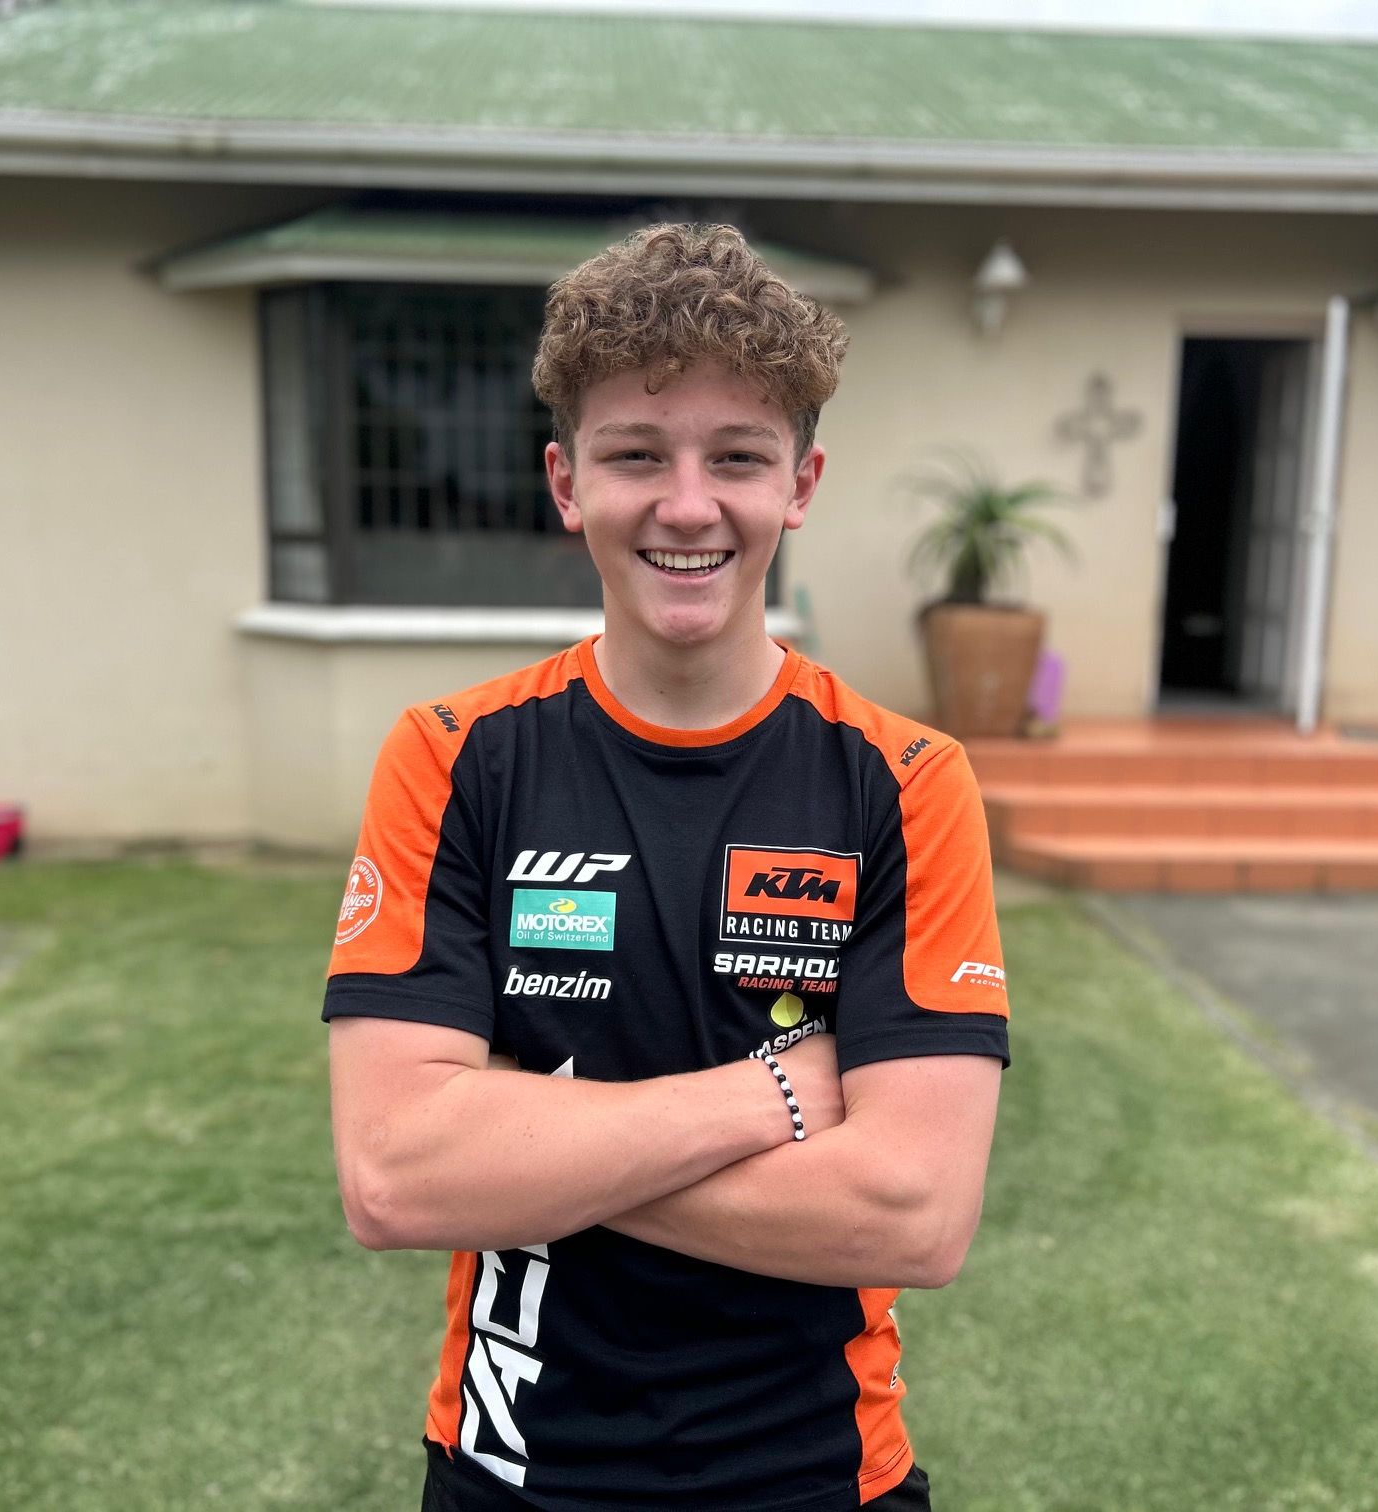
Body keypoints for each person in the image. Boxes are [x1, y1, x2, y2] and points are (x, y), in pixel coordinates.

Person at [323, 223, 1010, 1512]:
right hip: (514, 1477)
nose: (687, 506)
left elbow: (914, 1214)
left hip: (820, 1480)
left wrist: (524, 1145)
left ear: (800, 484)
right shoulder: (454, 757)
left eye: (736, 457)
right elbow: (394, 1177)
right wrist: (771, 1095)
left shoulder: (907, 781)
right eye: (636, 453)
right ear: (565, 480)